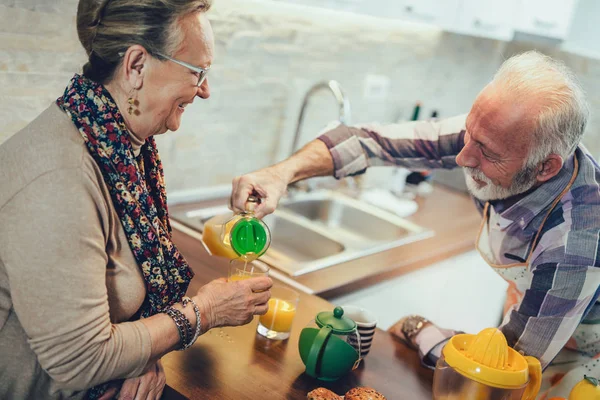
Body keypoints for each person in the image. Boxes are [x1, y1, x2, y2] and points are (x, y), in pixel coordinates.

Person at [230, 51, 600, 398]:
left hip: (583, 357)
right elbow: (370, 142)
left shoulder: (576, 239)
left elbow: (503, 372)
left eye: (486, 152)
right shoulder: (494, 133)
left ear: (546, 167)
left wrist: (422, 332)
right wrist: (283, 173)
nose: (461, 155)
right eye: (470, 132)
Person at [0, 1, 272, 399]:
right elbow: (81, 358)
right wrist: (206, 311)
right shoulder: (60, 179)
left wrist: (141, 355)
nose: (206, 90)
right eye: (198, 73)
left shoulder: (118, 146)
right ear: (137, 66)